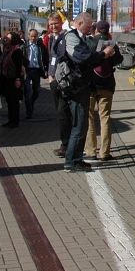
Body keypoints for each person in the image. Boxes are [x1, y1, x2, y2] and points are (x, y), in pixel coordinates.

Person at [63, 13, 116, 172]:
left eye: (92, 26)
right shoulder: (73, 38)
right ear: (79, 24)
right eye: (88, 26)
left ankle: (82, 155)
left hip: (88, 85)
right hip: (83, 86)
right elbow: (84, 59)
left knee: (85, 122)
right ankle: (74, 160)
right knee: (82, 123)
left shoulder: (84, 40)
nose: (90, 29)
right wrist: (104, 54)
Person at [85, 20, 123, 161]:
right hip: (107, 85)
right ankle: (104, 153)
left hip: (90, 85)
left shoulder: (89, 43)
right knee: (105, 117)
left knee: (89, 117)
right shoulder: (112, 44)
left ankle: (90, 151)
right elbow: (119, 60)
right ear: (107, 31)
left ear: (95, 30)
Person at [46, 14, 72, 157]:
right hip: (53, 80)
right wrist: (50, 76)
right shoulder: (51, 38)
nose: (53, 26)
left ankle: (66, 144)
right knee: (59, 112)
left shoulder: (65, 38)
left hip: (62, 81)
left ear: (61, 23)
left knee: (63, 112)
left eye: (56, 23)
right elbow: (51, 58)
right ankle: (65, 143)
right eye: (51, 24)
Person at [0, 31, 25, 128]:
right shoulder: (6, 49)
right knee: (9, 100)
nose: (5, 39)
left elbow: (18, 66)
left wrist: (18, 79)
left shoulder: (16, 51)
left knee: (14, 101)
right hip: (6, 77)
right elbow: (1, 58)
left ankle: (15, 121)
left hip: (13, 79)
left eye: (8, 38)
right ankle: (10, 120)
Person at [23, 28, 49, 119]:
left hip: (36, 70)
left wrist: (45, 68)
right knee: (27, 91)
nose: (33, 38)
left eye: (35, 36)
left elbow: (45, 58)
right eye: (31, 36)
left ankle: (31, 102)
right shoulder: (24, 46)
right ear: (28, 36)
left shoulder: (40, 46)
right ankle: (29, 111)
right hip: (27, 70)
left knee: (37, 90)